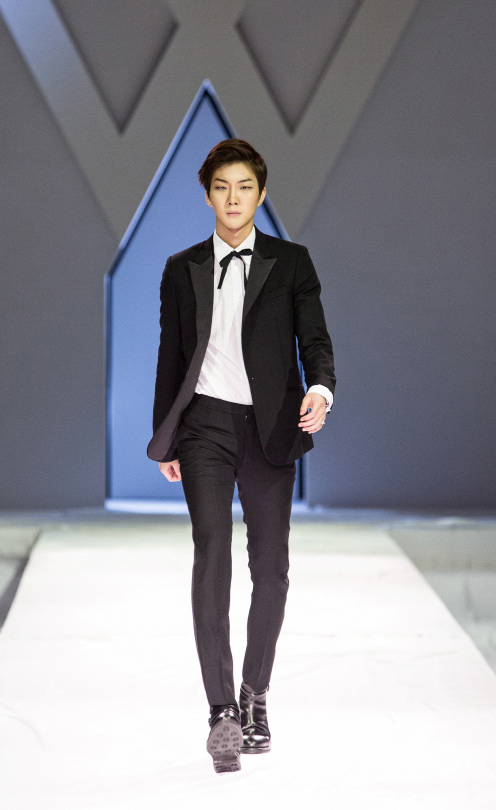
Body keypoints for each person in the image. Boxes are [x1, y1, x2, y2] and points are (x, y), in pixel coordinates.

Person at [147, 139, 335, 773]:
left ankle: (256, 693)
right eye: (222, 187)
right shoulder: (181, 268)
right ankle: (221, 711)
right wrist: (166, 437)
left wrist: (321, 389)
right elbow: (170, 358)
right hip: (205, 426)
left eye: (245, 187)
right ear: (207, 195)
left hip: (272, 427)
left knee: (271, 568)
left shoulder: (292, 262)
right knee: (211, 551)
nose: (233, 198)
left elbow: (315, 340)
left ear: (261, 194)